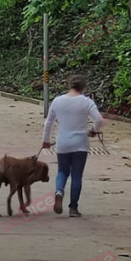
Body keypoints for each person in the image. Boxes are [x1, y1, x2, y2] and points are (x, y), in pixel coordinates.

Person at [41, 75, 103, 217]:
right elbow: (99, 119)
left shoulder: (58, 101)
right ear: (83, 87)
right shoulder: (86, 102)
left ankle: (59, 191)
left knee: (62, 171)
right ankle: (73, 208)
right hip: (80, 143)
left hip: (62, 143)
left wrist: (46, 140)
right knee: (76, 175)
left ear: (69, 85)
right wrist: (93, 130)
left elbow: (48, 123)